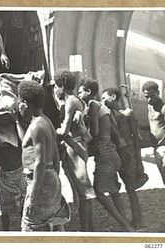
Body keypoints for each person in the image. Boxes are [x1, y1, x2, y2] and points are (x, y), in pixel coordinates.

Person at [0, 70, 45, 231]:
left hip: (17, 173)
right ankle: (8, 231)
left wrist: (16, 120)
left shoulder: (19, 129)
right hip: (7, 175)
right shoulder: (3, 133)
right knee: (6, 208)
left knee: (20, 206)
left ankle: (21, 229)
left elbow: (24, 142)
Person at [78, 79, 134, 232]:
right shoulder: (103, 107)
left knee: (99, 192)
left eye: (80, 91)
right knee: (113, 190)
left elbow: (95, 132)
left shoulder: (94, 105)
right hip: (111, 151)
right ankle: (125, 224)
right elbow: (115, 133)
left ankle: (127, 227)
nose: (78, 94)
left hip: (104, 151)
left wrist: (82, 127)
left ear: (88, 92)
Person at [16, 80, 69, 231]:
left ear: (25, 103)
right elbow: (55, 156)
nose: (18, 106)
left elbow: (39, 162)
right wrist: (54, 180)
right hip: (49, 178)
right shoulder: (45, 122)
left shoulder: (37, 126)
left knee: (30, 226)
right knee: (53, 223)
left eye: (19, 101)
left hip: (40, 180)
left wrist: (33, 196)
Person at [53, 71, 95, 231]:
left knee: (84, 193)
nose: (55, 90)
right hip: (76, 146)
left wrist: (51, 129)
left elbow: (64, 130)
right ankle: (87, 229)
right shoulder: (73, 100)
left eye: (57, 86)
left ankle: (87, 232)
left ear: (62, 86)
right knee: (80, 190)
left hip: (75, 147)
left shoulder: (71, 101)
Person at [102, 87, 149, 229]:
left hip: (128, 153)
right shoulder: (108, 114)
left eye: (104, 98)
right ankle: (127, 219)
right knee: (120, 186)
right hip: (117, 153)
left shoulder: (128, 113)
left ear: (113, 97)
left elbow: (136, 139)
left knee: (131, 187)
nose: (102, 100)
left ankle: (137, 219)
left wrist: (139, 161)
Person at [142, 81, 165, 184]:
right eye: (147, 97)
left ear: (158, 93)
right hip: (156, 147)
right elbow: (154, 125)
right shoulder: (150, 106)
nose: (149, 99)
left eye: (152, 96)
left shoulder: (163, 108)